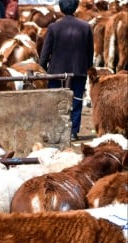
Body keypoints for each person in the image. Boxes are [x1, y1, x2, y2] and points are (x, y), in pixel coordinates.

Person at [39, 0, 93, 141]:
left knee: (56, 101)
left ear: (61, 8)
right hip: (78, 70)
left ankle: (56, 131)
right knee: (76, 100)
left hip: (57, 71)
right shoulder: (85, 27)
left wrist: (42, 67)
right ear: (76, 7)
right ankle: (73, 132)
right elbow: (90, 52)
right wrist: (87, 66)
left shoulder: (53, 27)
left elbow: (45, 52)